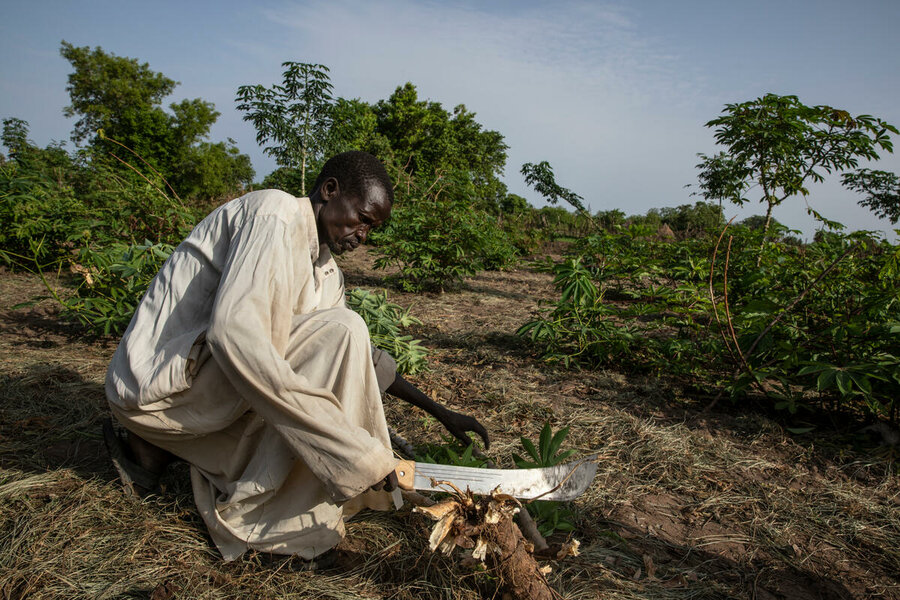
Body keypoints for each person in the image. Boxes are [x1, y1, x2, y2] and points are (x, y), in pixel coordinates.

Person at [103, 151, 489, 561]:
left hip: (209, 395)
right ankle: (243, 505)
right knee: (344, 332)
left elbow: (362, 362)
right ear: (329, 190)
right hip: (157, 387)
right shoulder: (274, 214)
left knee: (344, 334)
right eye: (362, 217)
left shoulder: (327, 273)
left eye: (372, 229)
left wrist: (442, 413)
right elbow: (234, 335)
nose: (363, 236)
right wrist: (358, 452)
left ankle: (252, 499)